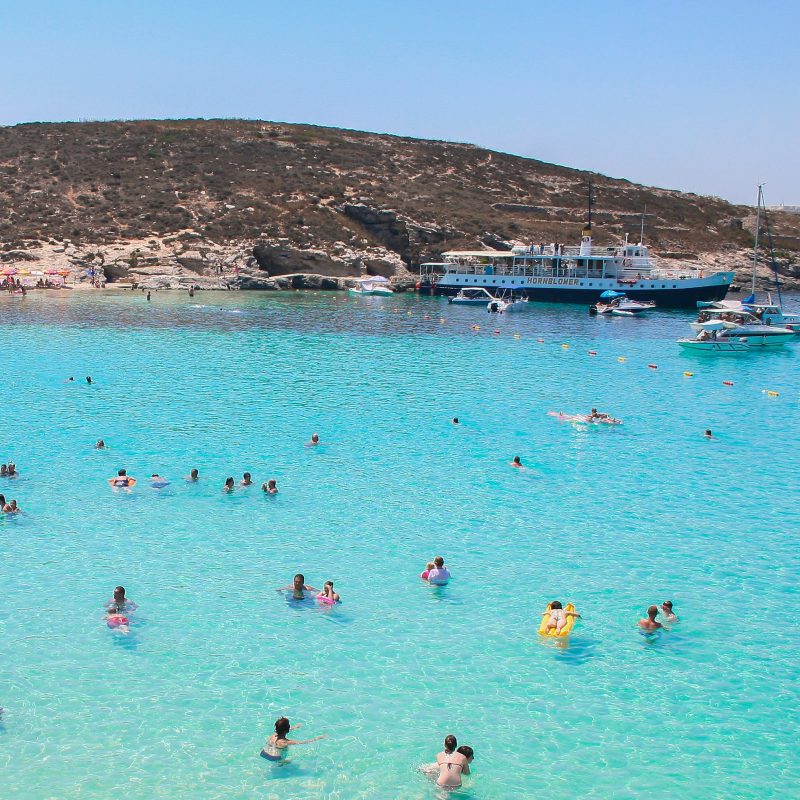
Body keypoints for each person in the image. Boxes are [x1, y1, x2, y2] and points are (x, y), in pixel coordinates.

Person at [260, 717, 325, 761]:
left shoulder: (273, 735)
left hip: (263, 753)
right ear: (287, 729)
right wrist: (318, 738)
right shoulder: (285, 742)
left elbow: (281, 730)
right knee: (291, 761)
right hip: (274, 758)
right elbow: (303, 742)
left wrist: (294, 727)